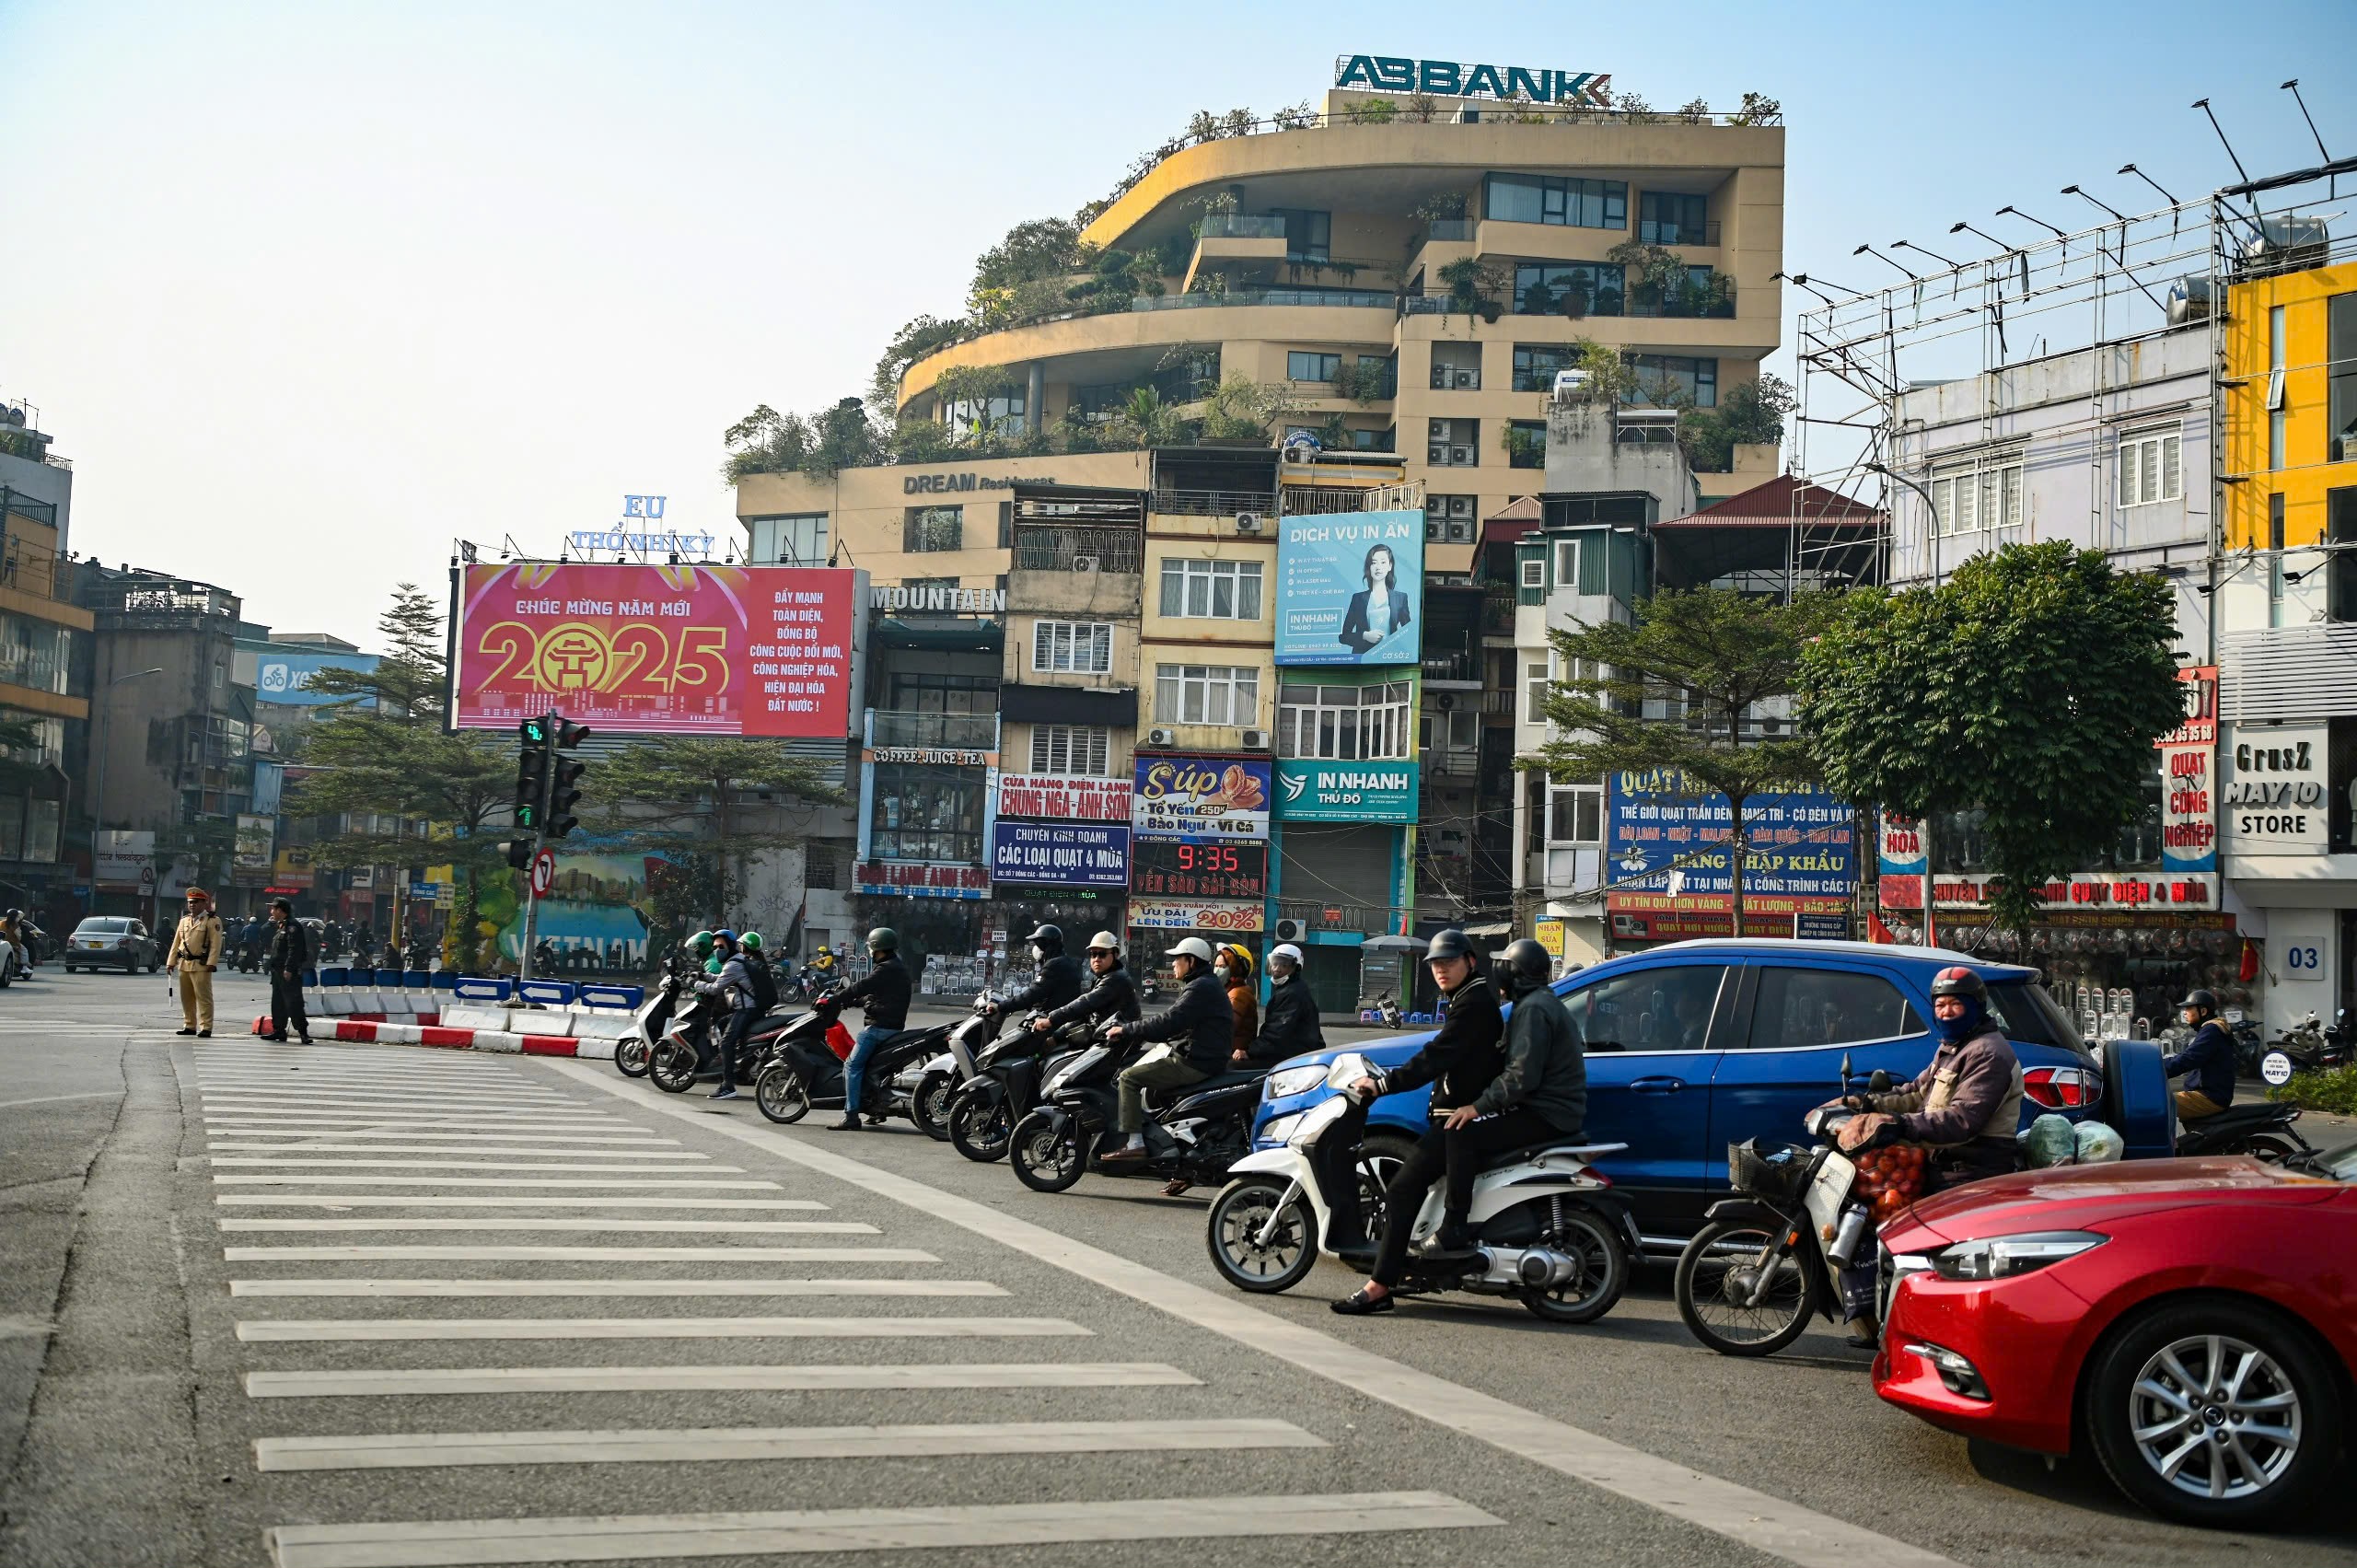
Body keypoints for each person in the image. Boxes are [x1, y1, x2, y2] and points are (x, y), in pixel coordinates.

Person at [1333, 929, 1525, 1316]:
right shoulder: (1467, 1000)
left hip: (1460, 1119)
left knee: (1403, 1189)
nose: (1441, 970)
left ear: (1470, 962)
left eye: (1449, 962)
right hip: (1455, 1117)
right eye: (1436, 964)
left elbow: (1436, 1056)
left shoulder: (1472, 1004)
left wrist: (1383, 1084)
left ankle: (1380, 1285)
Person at [1101, 937, 1231, 1163]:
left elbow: (1168, 1020)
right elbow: (1177, 1022)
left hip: (1195, 1061)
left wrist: (1126, 1029)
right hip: (1204, 1056)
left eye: (1177, 960)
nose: (1172, 965)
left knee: (1128, 1078)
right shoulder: (1204, 984)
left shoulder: (1200, 987)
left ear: (1191, 961)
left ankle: (1135, 1144)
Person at [829, 927, 911, 1131]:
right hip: (893, 1026)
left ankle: (851, 1115)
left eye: (871, 949)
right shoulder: (895, 967)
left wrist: (834, 999)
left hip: (879, 1028)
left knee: (852, 1066)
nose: (870, 953)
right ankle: (876, 1110)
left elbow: (862, 986)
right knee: (869, 1068)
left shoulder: (885, 969)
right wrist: (852, 1002)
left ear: (877, 948)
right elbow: (872, 996)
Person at [1036, 931, 1141, 1034]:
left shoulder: (1116, 978)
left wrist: (1052, 1019)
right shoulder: (1105, 976)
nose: (1097, 959)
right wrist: (1058, 1034)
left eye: (1102, 954)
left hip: (1120, 1039)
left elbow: (1086, 1002)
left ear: (1116, 955)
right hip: (1106, 1032)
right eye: (1093, 954)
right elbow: (1087, 1013)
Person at [1243, 942, 1324, 1065]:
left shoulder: (1293, 993)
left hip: (1293, 1058)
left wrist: (1250, 1051)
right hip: (1291, 1054)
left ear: (1295, 968)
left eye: (1284, 965)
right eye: (1274, 964)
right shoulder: (1288, 989)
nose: (1277, 969)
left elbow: (1277, 1032)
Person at [698, 929, 755, 1101]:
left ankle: (728, 1086)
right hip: (748, 1007)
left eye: (721, 946)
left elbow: (716, 988)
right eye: (715, 947)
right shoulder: (737, 960)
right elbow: (722, 978)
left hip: (747, 1009)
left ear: (730, 946)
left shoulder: (733, 964)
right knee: (722, 1024)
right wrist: (703, 975)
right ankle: (737, 1062)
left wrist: (697, 984)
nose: (717, 950)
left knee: (725, 1043)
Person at [2164, 987, 2236, 1121]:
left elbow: (2188, 1059)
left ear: (2203, 1011)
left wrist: (2157, 1069)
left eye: (2189, 1009)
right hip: (2209, 1094)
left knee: (2157, 1103)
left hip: (2210, 1097)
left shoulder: (2212, 1031)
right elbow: (2187, 1057)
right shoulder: (2211, 1029)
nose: (2185, 1013)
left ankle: (2164, 1143)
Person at [988, 923, 1086, 1022]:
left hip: (1056, 1020)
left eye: (1038, 945)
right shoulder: (1065, 961)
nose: (1036, 948)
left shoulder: (1053, 965)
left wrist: (1000, 1006)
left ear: (1045, 945)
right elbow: (1050, 991)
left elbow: (1033, 994)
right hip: (1064, 1016)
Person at [1336, 542, 1412, 656]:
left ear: (1390, 566)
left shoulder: (1400, 598)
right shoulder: (1358, 599)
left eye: (1383, 562)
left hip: (1390, 658)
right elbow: (1344, 636)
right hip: (1362, 659)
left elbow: (1409, 634)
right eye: (1373, 563)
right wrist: (1364, 635)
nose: (1378, 567)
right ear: (1369, 567)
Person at [168, 888, 225, 1037]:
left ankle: (206, 1027)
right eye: (190, 902)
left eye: (195, 902)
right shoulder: (184, 921)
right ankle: (189, 1025)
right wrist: (170, 962)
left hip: (202, 964)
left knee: (203, 997)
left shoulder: (212, 921)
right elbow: (176, 943)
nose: (192, 905)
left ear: (203, 903)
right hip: (184, 964)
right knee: (186, 997)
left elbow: (216, 943)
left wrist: (212, 962)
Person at [264, 898, 312, 1043]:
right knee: (277, 1002)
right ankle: (279, 1030)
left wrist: (289, 968)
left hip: (288, 971)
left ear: (280, 910)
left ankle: (303, 1033)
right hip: (277, 970)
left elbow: (294, 950)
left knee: (293, 1002)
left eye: (273, 908)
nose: (271, 911)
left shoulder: (293, 926)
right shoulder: (281, 925)